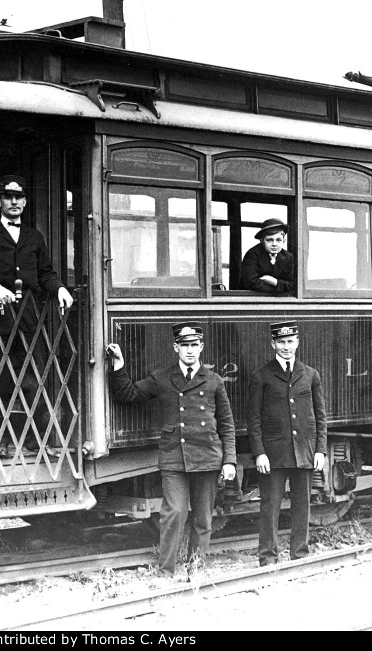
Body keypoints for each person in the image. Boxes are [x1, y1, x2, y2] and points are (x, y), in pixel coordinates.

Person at [106, 322, 237, 577]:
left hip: (207, 457)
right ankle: (166, 571)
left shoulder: (214, 381)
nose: (190, 351)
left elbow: (227, 424)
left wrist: (229, 461)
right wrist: (119, 364)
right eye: (184, 346)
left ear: (201, 347)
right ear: (175, 347)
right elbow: (128, 394)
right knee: (174, 513)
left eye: (194, 346)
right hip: (174, 457)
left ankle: (195, 569)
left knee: (202, 519)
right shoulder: (163, 378)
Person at [0, 175, 73, 454]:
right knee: (0, 379)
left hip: (29, 318)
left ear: (24, 202)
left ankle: (37, 443)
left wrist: (59, 288)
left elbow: (45, 273)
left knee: (35, 378)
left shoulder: (34, 236)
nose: (14, 202)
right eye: (8, 197)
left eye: (19, 197)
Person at [247, 320, 327, 566]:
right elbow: (254, 418)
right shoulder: (261, 375)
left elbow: (320, 416)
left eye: (290, 341)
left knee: (302, 506)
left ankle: (299, 555)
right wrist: (259, 453)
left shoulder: (310, 374)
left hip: (303, 452)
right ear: (273, 344)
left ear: (297, 343)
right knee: (270, 507)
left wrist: (320, 450)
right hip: (273, 454)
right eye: (281, 342)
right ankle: (267, 558)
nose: (286, 347)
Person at [239, 218, 296, 294]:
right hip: (253, 299)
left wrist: (274, 282)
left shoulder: (288, 257)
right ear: (262, 241)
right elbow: (250, 283)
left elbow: (293, 284)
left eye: (278, 240)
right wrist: (280, 288)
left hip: (280, 300)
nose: (274, 244)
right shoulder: (252, 254)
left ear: (284, 241)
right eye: (269, 240)